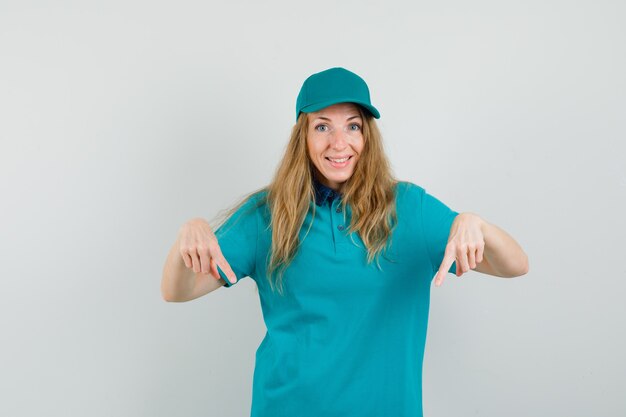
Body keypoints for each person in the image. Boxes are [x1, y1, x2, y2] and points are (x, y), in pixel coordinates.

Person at [161, 67, 529, 417]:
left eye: (352, 126)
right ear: (302, 137)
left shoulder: (409, 210)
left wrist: (475, 224)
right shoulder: (267, 216)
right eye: (323, 127)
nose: (339, 143)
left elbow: (515, 264)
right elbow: (178, 290)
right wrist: (187, 236)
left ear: (367, 136)